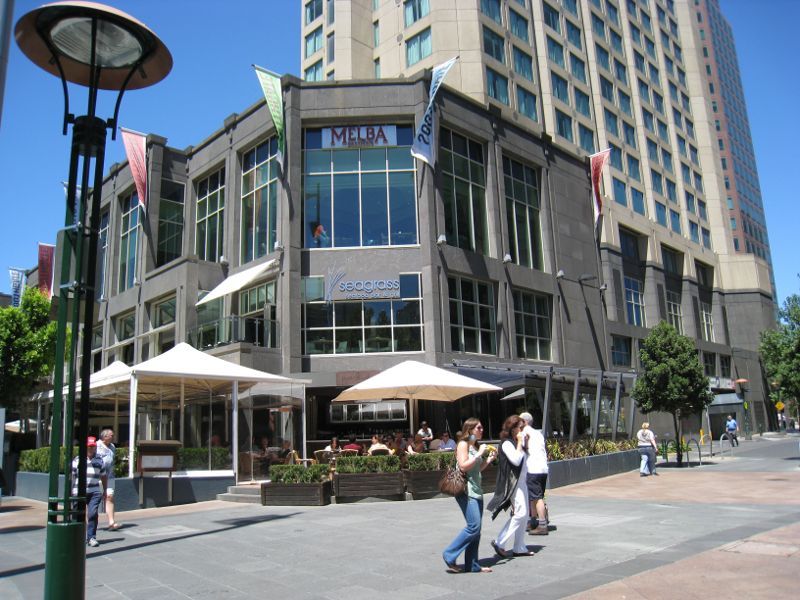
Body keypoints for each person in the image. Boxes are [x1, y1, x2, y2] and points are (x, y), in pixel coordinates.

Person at [442, 418, 496, 574]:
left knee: (476, 530)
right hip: (466, 491)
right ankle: (449, 554)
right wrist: (479, 453)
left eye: (481, 427)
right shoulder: (463, 444)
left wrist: (489, 459)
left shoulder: (473, 445)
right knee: (473, 527)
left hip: (476, 490)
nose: (481, 430)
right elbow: (464, 466)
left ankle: (473, 564)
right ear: (470, 429)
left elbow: (476, 469)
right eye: (478, 427)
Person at [487, 416, 532, 557]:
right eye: (520, 427)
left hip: (522, 482)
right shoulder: (507, 444)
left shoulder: (517, 443)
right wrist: (520, 442)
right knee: (521, 513)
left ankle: (519, 547)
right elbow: (516, 460)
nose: (522, 430)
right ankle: (499, 541)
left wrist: (524, 443)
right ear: (512, 429)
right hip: (513, 484)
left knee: (524, 516)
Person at [72, 436, 108, 547]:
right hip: (79, 491)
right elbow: (72, 475)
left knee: (92, 513)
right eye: (89, 447)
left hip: (94, 491)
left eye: (93, 446)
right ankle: (77, 537)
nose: (91, 449)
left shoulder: (99, 460)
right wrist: (71, 491)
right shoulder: (77, 460)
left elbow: (103, 476)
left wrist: (105, 490)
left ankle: (91, 537)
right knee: (78, 515)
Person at [519, 412, 549, 535]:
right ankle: (533, 521)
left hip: (532, 468)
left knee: (537, 497)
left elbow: (520, 450)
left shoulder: (523, 433)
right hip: (543, 468)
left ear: (524, 422)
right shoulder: (538, 433)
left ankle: (542, 525)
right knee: (534, 496)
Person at [95, 428, 121, 531]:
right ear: (105, 437)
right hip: (97, 478)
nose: (113, 437)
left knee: (109, 497)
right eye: (111, 435)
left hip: (109, 477)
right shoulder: (97, 445)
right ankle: (92, 523)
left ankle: (111, 522)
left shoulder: (112, 447)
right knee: (94, 500)